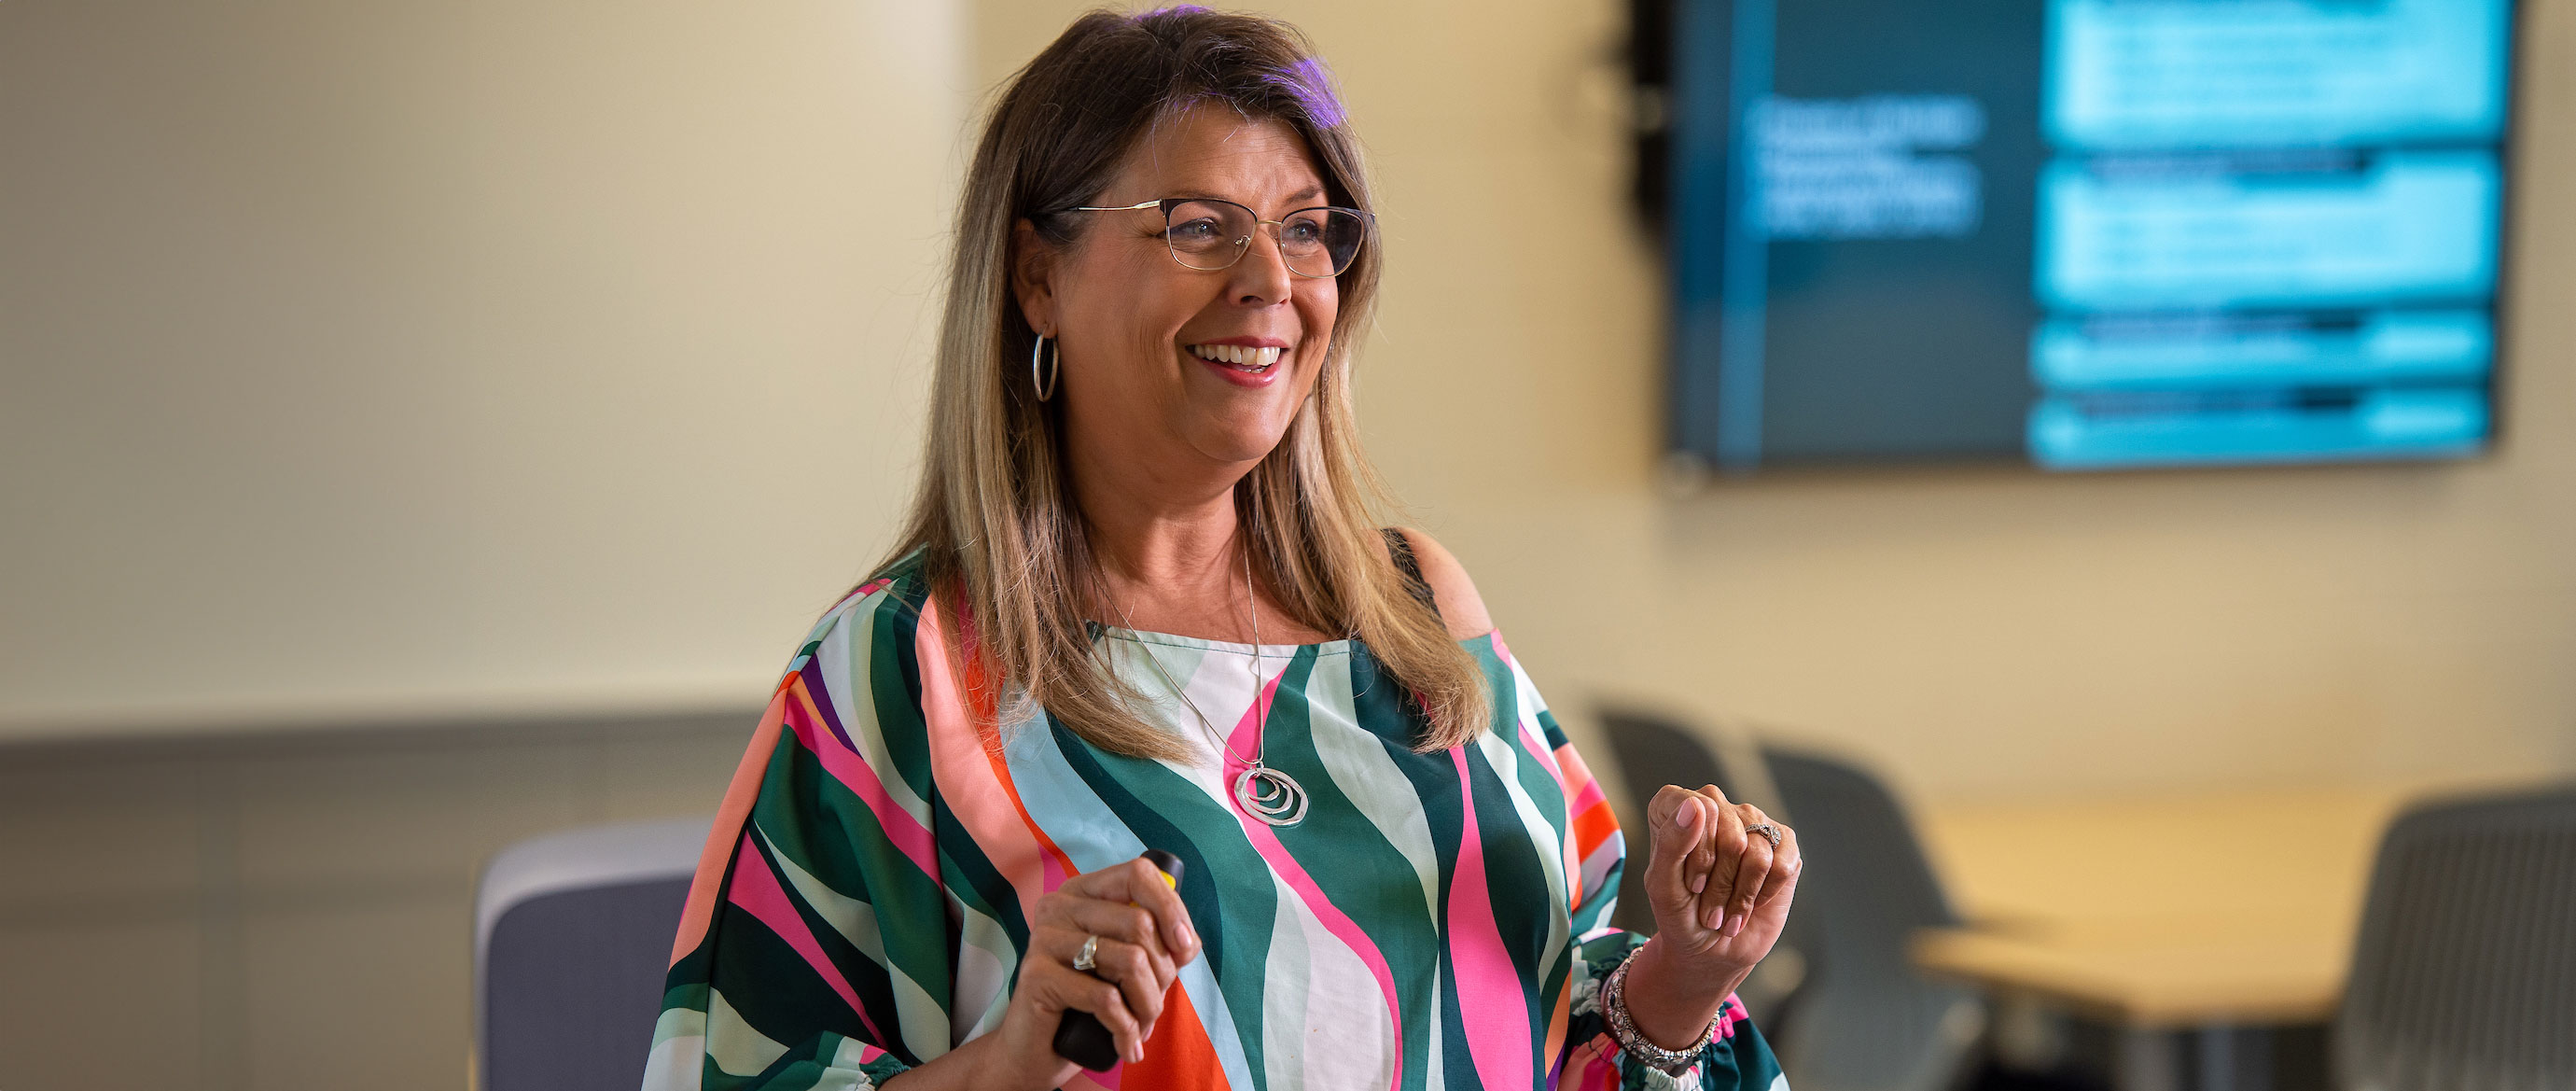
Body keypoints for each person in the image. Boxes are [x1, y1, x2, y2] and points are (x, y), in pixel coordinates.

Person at [640, 7, 1802, 1089]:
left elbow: (1575, 1018)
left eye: (1304, 229)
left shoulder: (1414, 609)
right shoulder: (905, 665)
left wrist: (1683, 980)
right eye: (1197, 227)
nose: (1270, 284)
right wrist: (1007, 1062)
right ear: (1036, 277)